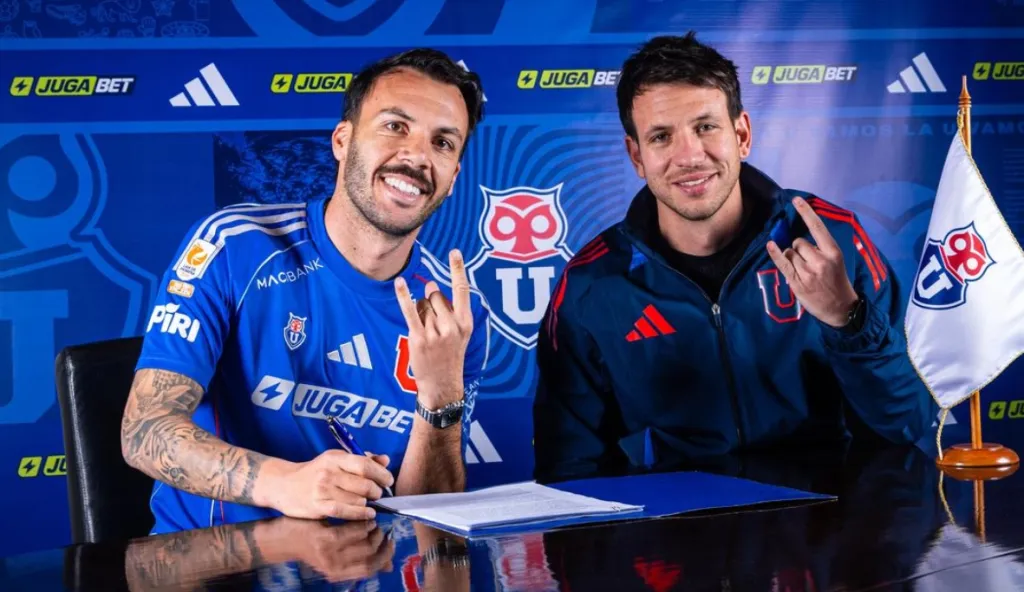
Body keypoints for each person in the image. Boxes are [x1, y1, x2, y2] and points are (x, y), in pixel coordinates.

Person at [532, 33, 936, 483]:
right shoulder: (592, 283)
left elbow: (906, 425)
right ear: (636, 156)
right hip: (673, 538)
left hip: (830, 532)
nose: (689, 156)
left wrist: (849, 320)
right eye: (662, 136)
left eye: (705, 127)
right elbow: (568, 472)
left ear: (741, 134)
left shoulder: (833, 239)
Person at [121, 48, 491, 533]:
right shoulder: (235, 247)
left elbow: (429, 523)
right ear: (343, 140)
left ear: (452, 178)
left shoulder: (455, 314)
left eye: (443, 143)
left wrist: (440, 397)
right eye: (395, 126)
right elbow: (145, 429)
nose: (418, 156)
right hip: (213, 569)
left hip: (364, 570)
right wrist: (285, 484)